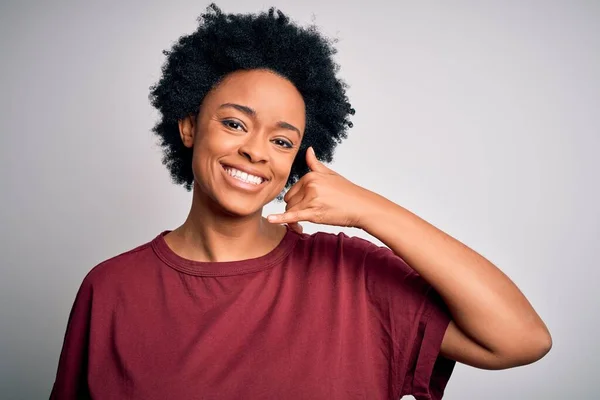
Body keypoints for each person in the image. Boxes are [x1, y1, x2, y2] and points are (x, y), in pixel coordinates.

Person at [50, 4, 552, 399]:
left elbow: (522, 338)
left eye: (282, 140)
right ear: (188, 126)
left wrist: (367, 209)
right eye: (234, 123)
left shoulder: (351, 276)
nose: (254, 150)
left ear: (298, 159)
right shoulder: (111, 288)